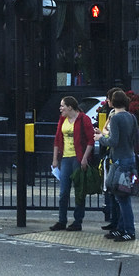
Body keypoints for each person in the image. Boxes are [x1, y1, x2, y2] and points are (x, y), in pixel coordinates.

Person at [49, 95, 95, 232]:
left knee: (79, 190)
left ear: (70, 107)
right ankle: (61, 220)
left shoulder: (83, 119)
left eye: (62, 105)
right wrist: (55, 159)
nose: (60, 108)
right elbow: (57, 139)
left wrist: (85, 158)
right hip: (66, 158)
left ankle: (77, 221)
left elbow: (90, 141)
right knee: (64, 192)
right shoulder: (62, 119)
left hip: (78, 157)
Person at [102, 90, 139, 242]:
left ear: (112, 101)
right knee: (122, 196)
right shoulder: (132, 117)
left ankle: (129, 231)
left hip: (119, 161)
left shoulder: (116, 119)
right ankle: (121, 229)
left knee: (122, 199)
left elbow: (113, 141)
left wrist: (100, 138)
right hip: (130, 158)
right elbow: (136, 139)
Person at [99, 87, 124, 233]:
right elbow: (105, 128)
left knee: (116, 192)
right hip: (111, 156)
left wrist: (102, 136)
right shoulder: (112, 114)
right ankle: (114, 222)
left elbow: (111, 136)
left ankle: (119, 225)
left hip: (117, 157)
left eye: (109, 98)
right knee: (110, 190)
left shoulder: (118, 116)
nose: (107, 101)